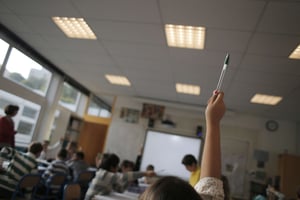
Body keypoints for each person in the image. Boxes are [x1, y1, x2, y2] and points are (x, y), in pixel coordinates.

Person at [140, 91, 226, 200]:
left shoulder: (198, 173)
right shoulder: (194, 176)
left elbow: (210, 188)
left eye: (187, 166)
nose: (186, 169)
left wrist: (213, 122)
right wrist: (213, 121)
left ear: (192, 164)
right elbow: (210, 187)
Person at [84, 153, 155, 200]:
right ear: (112, 167)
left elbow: (120, 190)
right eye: (117, 165)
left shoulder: (110, 177)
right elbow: (124, 177)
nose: (118, 168)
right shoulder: (104, 174)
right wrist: (145, 173)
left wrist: (129, 181)